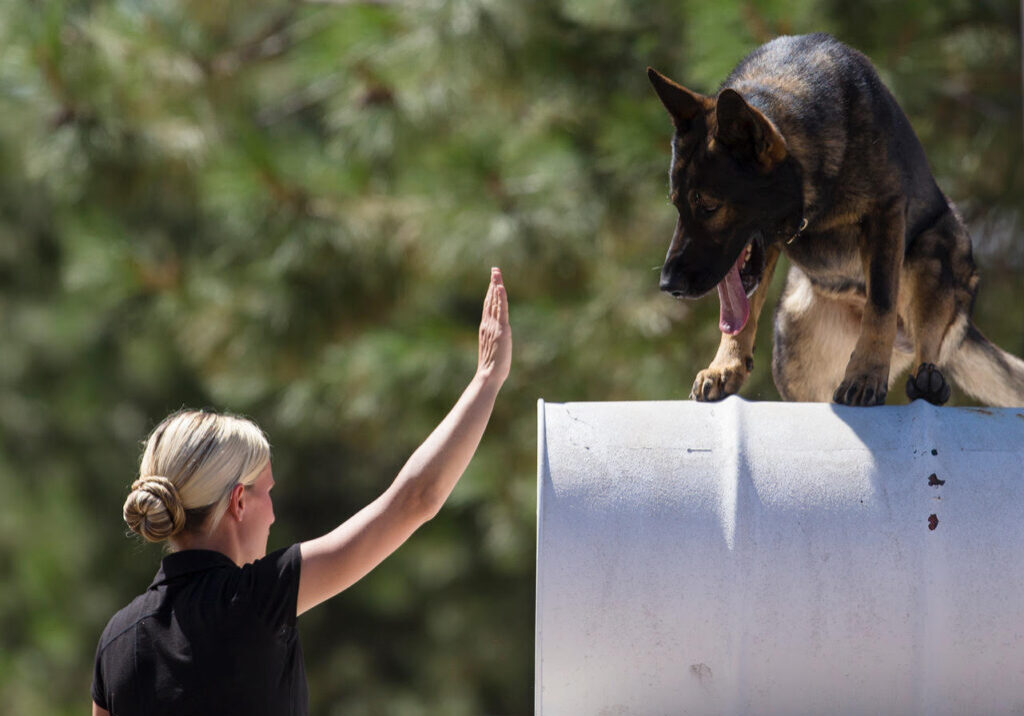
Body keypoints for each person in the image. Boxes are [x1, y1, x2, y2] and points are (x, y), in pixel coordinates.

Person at [91, 268, 511, 716]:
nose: (273, 514)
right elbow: (416, 499)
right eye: (267, 492)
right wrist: (487, 378)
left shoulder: (116, 641)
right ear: (238, 502)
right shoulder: (259, 599)